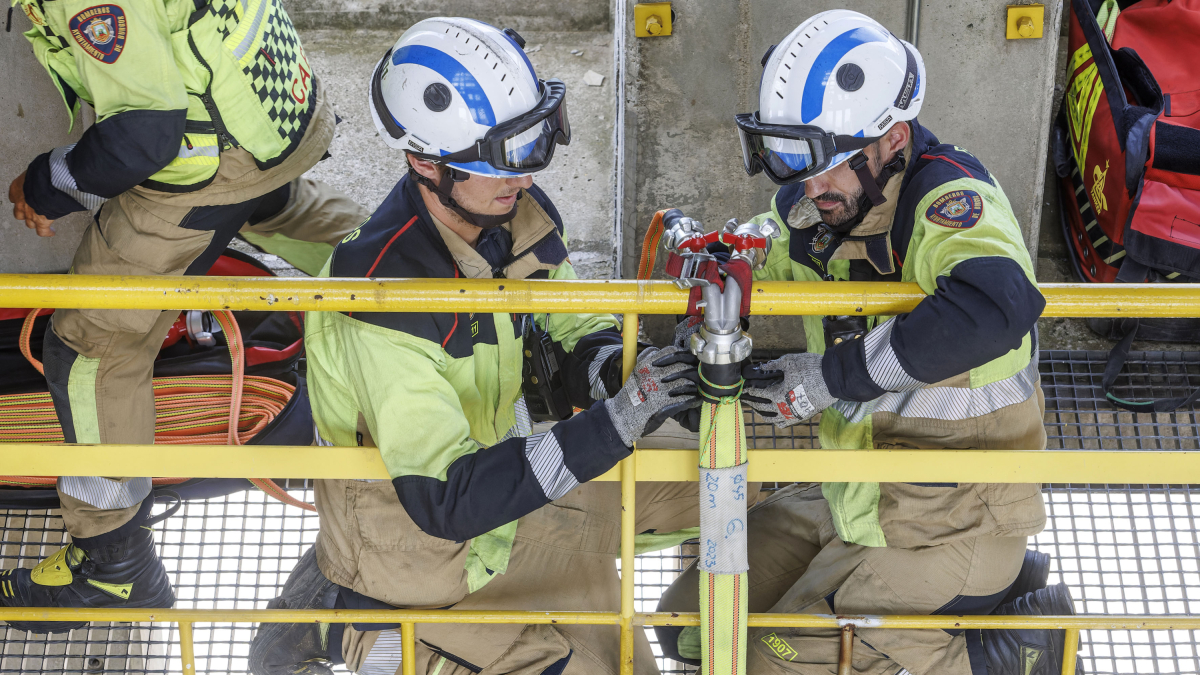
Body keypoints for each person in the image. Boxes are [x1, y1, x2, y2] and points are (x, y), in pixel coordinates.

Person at [247, 19, 701, 675]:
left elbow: (574, 322)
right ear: (426, 164)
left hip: (502, 503)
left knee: (727, 481)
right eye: (502, 156)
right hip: (423, 556)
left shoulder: (506, 210)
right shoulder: (382, 307)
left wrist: (615, 373)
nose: (524, 174)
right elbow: (449, 501)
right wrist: (616, 423)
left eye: (533, 142)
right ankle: (346, 617)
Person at [655, 10, 1081, 675]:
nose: (810, 184)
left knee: (770, 660)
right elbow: (764, 242)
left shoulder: (947, 200)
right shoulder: (826, 205)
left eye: (826, 163)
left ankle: (1005, 655)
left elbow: (998, 304)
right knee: (689, 626)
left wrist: (831, 376)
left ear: (893, 140)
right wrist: (718, 259)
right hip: (852, 496)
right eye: (796, 161)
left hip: (951, 521)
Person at [2, 0, 367, 630]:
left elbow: (145, 135)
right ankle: (443, 287)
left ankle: (113, 565)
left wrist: (47, 183)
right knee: (272, 203)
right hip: (275, 120)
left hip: (206, 161)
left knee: (91, 346)